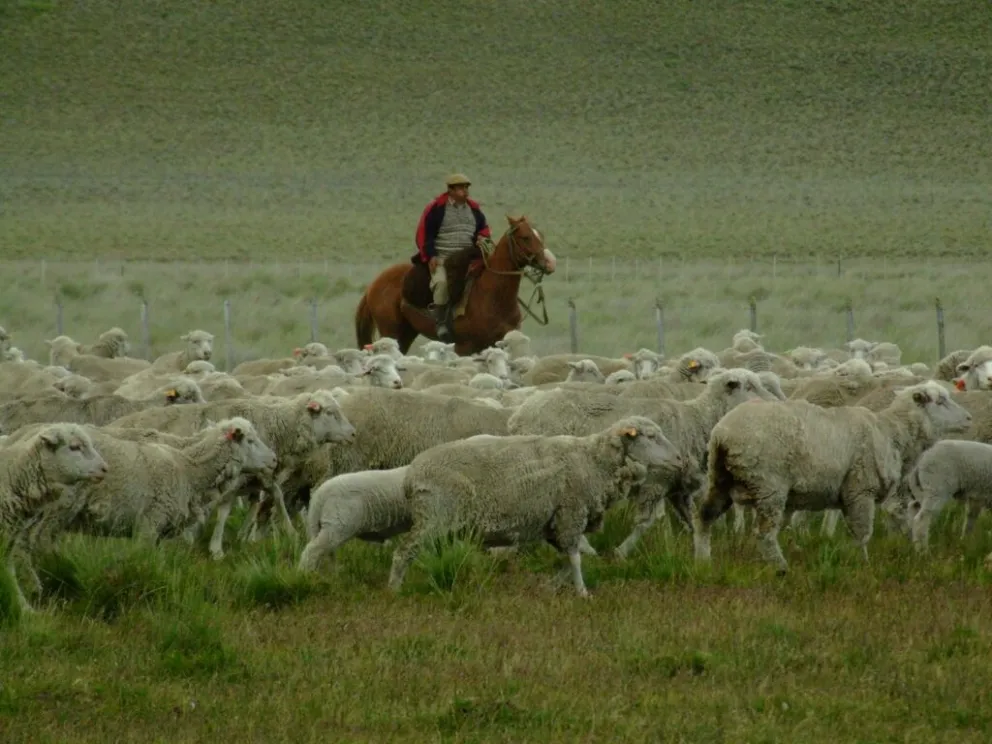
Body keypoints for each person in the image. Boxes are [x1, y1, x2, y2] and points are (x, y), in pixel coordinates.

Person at [412, 173, 491, 342]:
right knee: (441, 284)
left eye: (467, 188)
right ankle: (441, 322)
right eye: (461, 188)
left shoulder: (475, 210)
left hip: (468, 259)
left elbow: (484, 230)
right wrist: (430, 256)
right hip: (443, 259)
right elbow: (424, 233)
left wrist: (482, 239)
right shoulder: (436, 209)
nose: (465, 191)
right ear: (450, 190)